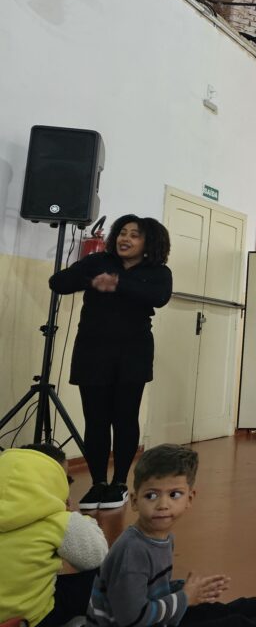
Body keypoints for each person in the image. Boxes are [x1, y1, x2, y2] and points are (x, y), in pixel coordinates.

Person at [85, 444, 256, 627]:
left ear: (190, 498)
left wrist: (186, 590)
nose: (163, 505)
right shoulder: (133, 551)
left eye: (174, 495)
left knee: (212, 612)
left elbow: (149, 591)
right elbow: (131, 618)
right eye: (151, 495)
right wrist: (184, 597)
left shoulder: (160, 538)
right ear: (135, 500)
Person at [49, 215, 173, 511]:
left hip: (133, 352)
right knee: (96, 419)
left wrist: (118, 282)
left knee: (125, 417)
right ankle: (97, 483)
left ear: (149, 242)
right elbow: (58, 282)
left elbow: (159, 297)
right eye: (122, 232)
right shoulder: (98, 262)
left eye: (134, 235)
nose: (125, 239)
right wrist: (91, 280)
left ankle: (118, 482)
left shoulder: (158, 272)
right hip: (92, 351)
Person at [0, 443, 108, 627]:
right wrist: (77, 517)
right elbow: (96, 556)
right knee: (104, 576)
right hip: (32, 624)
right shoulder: (56, 520)